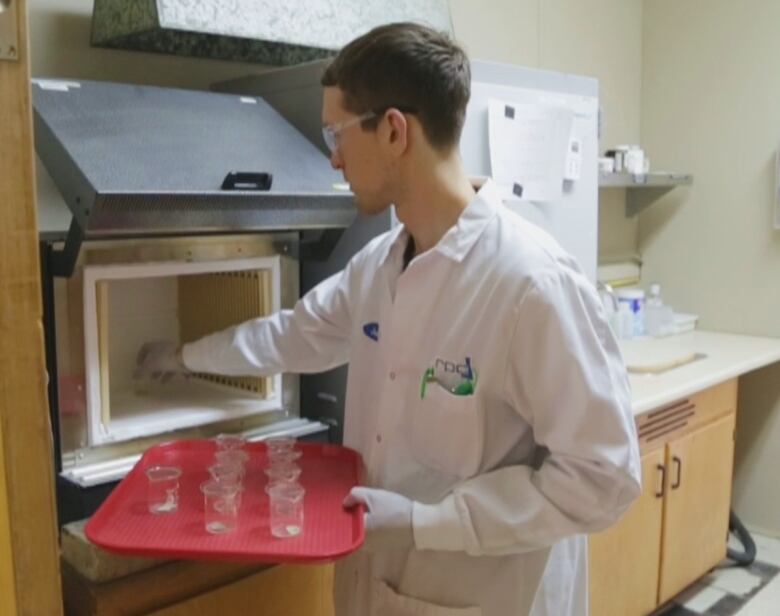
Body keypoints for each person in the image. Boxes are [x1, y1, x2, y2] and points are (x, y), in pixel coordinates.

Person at [136, 22, 641, 616]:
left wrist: (429, 521)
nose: (332, 155)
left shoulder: (531, 283)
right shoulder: (379, 267)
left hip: (486, 596)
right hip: (377, 588)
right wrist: (183, 357)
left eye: (337, 132)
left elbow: (603, 480)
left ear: (395, 130)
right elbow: (291, 337)